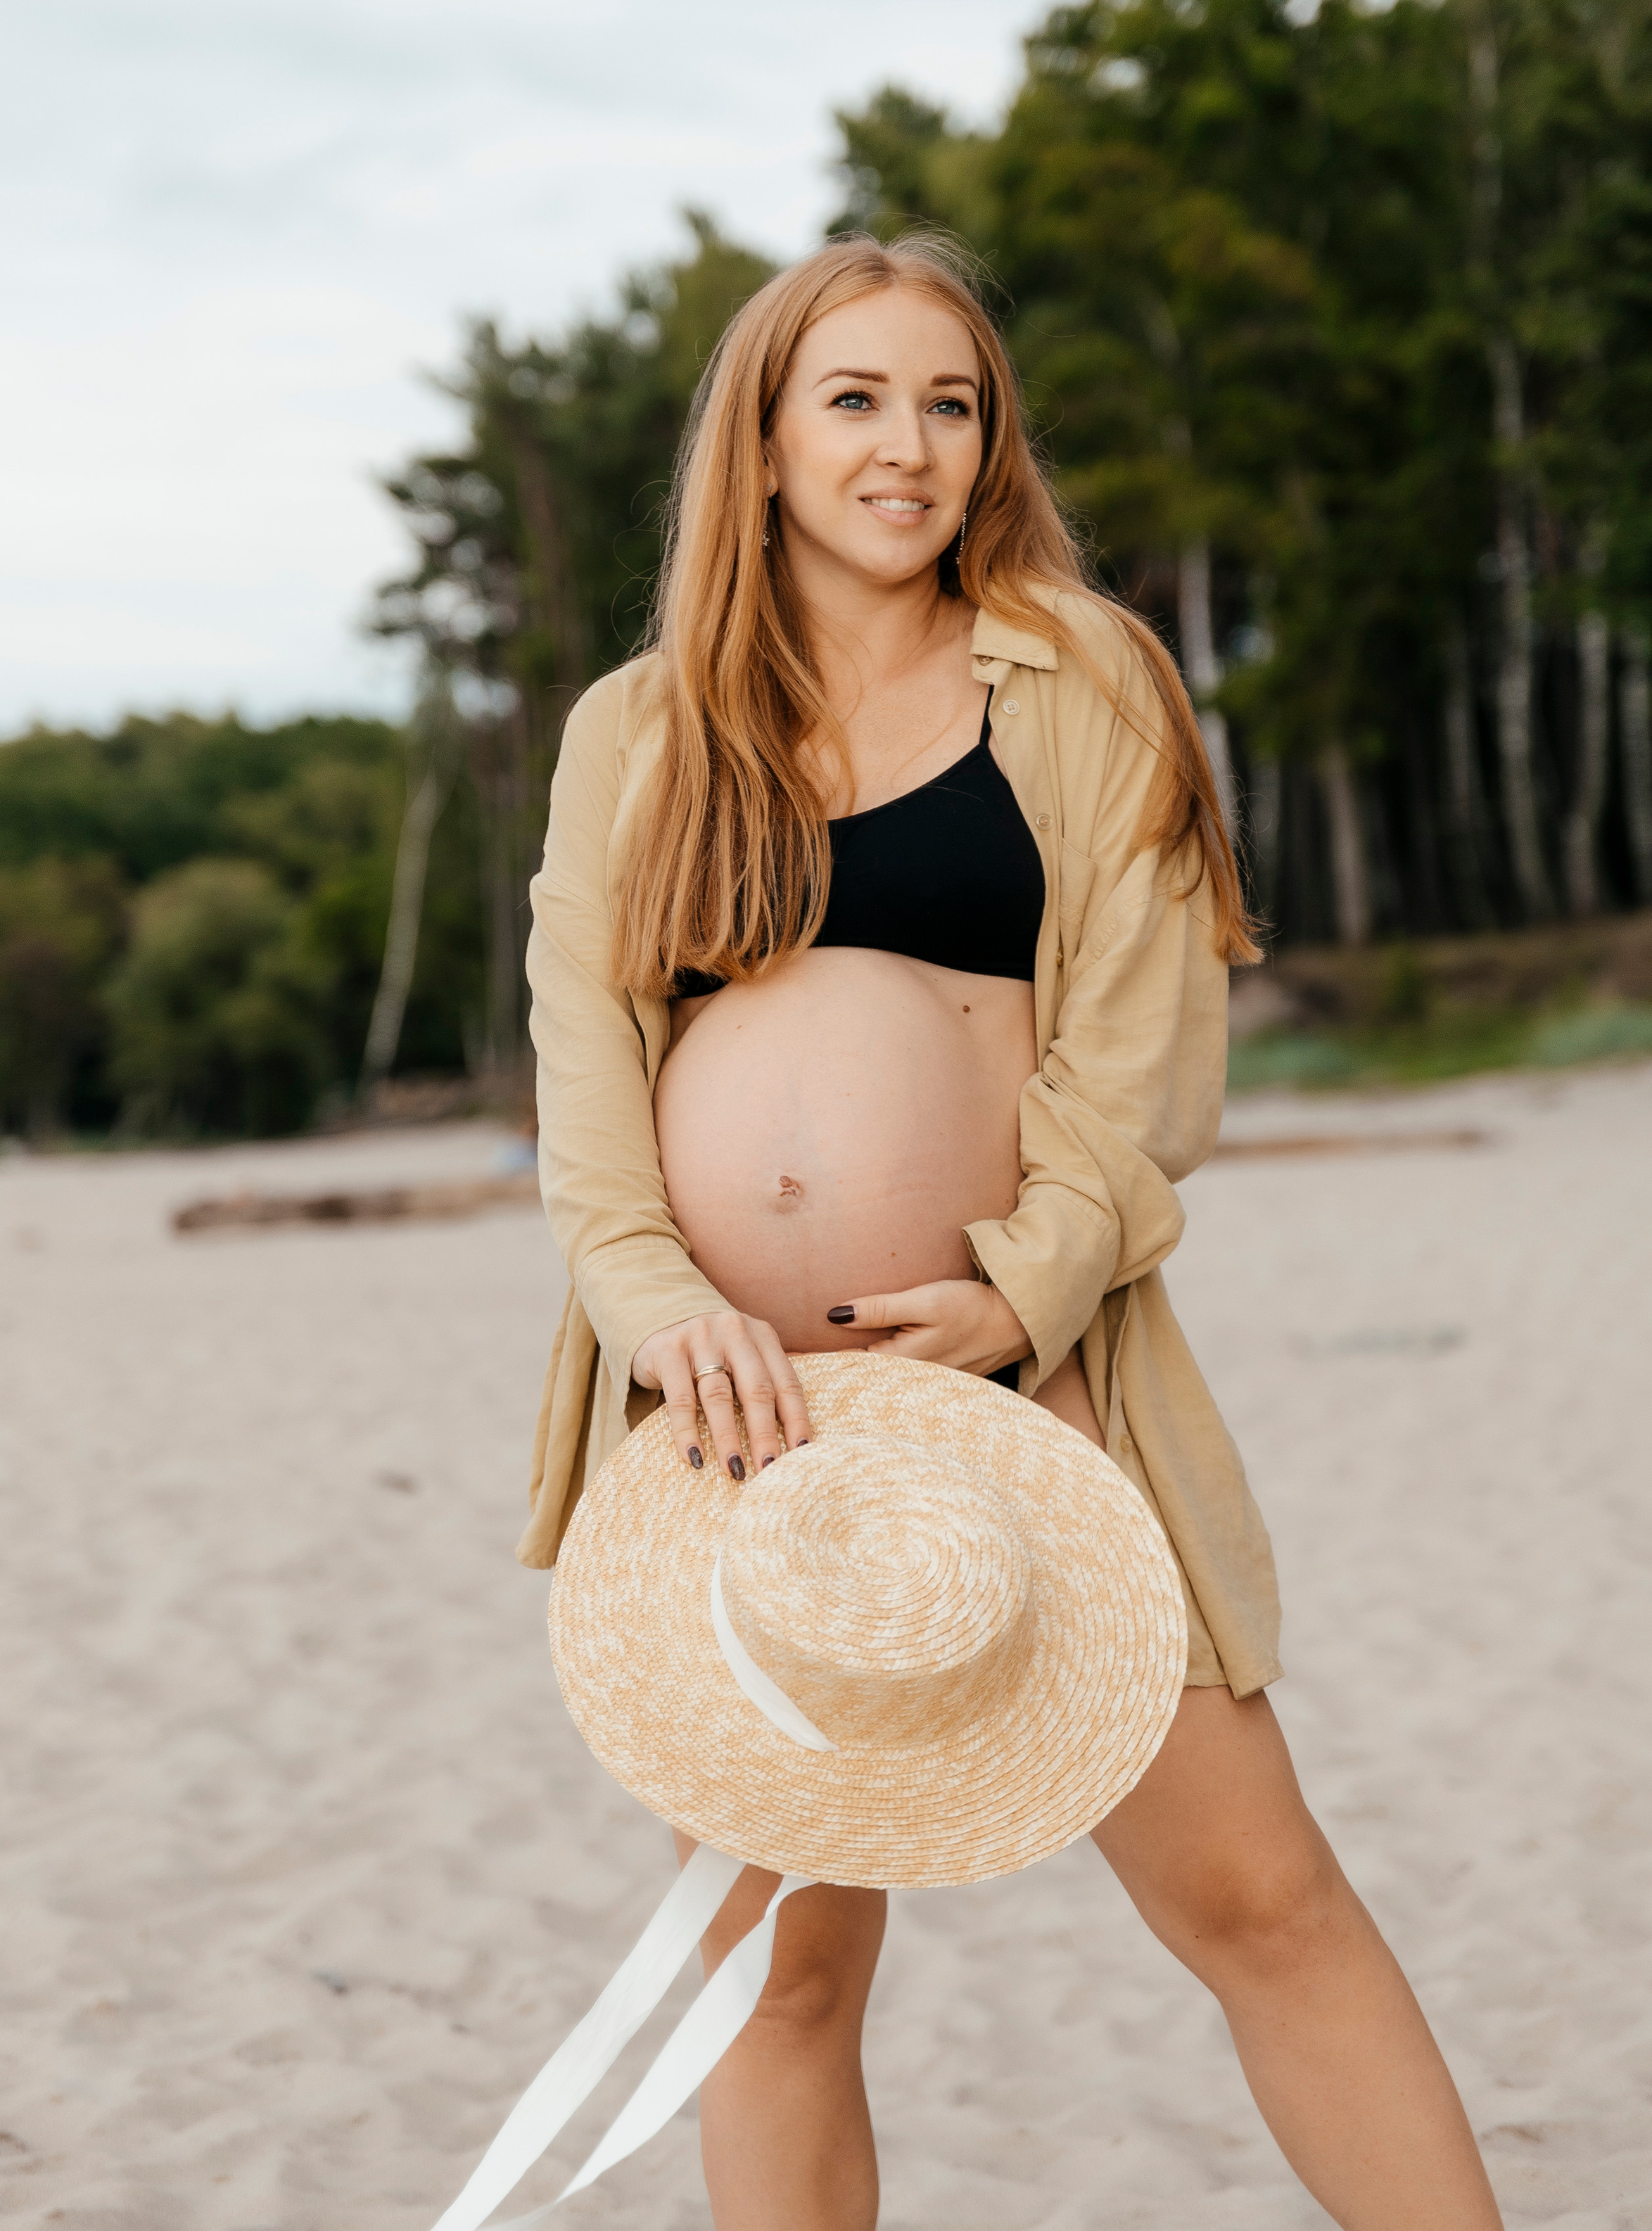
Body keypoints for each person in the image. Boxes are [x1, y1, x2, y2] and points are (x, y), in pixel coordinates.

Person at [522, 234, 1502, 2231]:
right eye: (858, 402)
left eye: (952, 403)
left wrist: (1025, 1288)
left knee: (1261, 1896)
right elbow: (588, 1068)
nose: (911, 449)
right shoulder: (640, 730)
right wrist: (650, 1305)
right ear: (766, 443)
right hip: (735, 1423)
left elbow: (1149, 1054)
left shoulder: (1081, 677)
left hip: (1029, 1381)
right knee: (775, 1980)